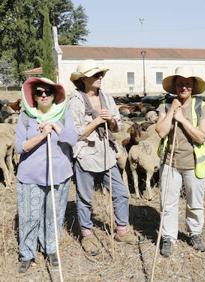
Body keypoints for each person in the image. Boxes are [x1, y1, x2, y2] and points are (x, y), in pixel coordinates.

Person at [69, 60, 135, 256]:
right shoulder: (76, 101)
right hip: (86, 153)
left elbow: (117, 127)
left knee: (121, 192)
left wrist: (112, 121)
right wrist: (97, 120)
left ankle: (122, 230)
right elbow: (76, 133)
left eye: (100, 74)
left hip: (107, 152)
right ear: (83, 79)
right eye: (95, 74)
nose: (99, 77)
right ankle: (87, 234)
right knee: (85, 196)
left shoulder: (107, 98)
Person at [16, 77, 78, 273]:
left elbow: (72, 138)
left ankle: (50, 248)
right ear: (33, 96)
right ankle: (27, 253)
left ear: (54, 95)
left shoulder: (63, 114)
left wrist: (54, 126)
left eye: (48, 92)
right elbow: (20, 147)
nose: (43, 95)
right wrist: (42, 134)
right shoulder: (26, 117)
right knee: (29, 216)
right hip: (30, 175)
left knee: (54, 214)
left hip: (58, 174)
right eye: (39, 92)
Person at [155, 67, 205, 257]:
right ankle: (168, 238)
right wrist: (172, 112)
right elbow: (161, 131)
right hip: (170, 161)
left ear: (193, 86)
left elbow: (201, 137)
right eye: (180, 84)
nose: (184, 87)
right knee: (168, 203)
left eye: (188, 84)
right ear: (174, 86)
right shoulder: (164, 105)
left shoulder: (201, 106)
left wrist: (183, 120)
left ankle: (195, 233)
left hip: (193, 163)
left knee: (194, 202)